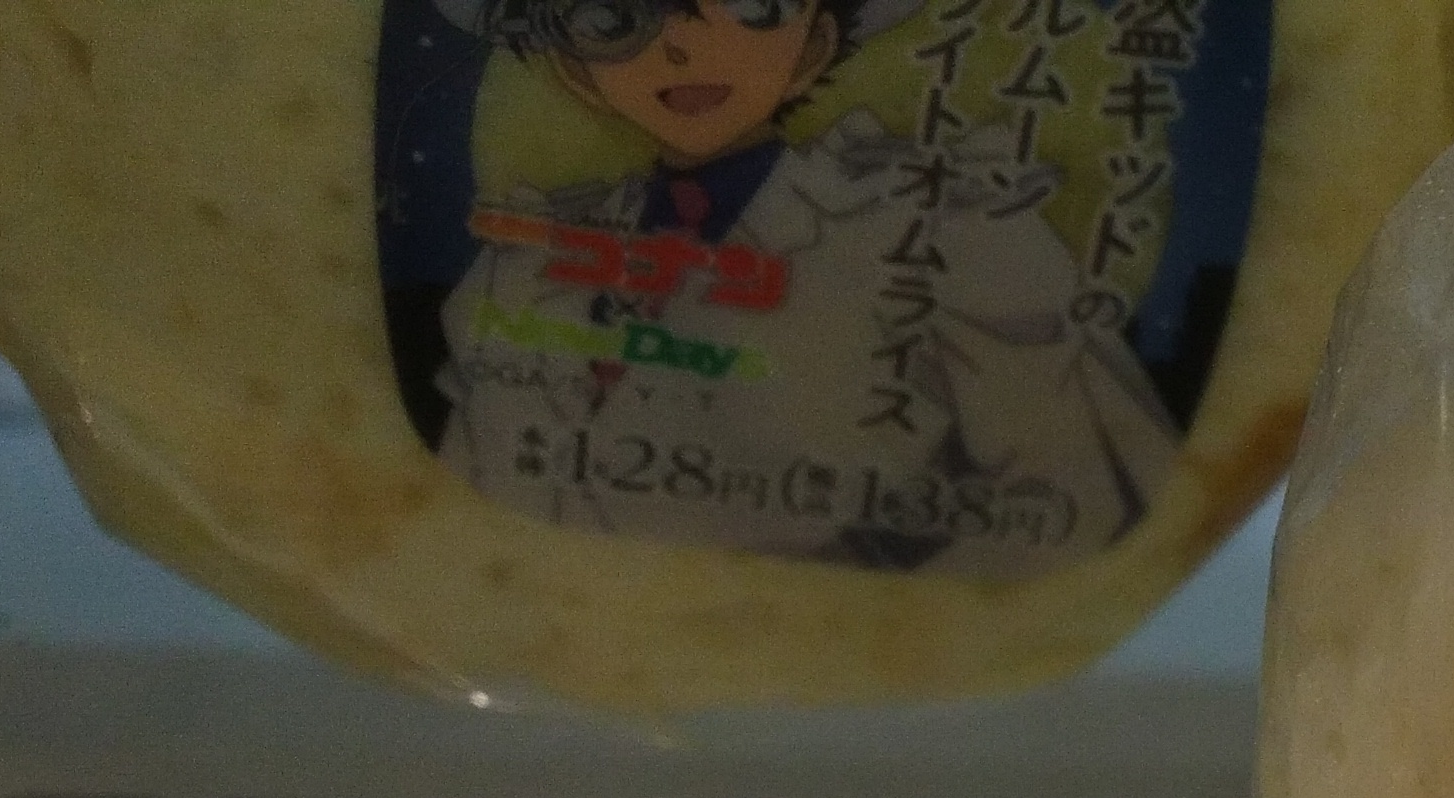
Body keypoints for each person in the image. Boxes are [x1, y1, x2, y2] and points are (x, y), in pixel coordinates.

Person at [427, 0, 1181, 572]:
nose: (683, 44)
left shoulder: (942, 227)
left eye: (752, 6)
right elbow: (460, 520)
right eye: (615, 17)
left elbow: (1082, 499)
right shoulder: (523, 270)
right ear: (572, 68)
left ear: (813, 43)